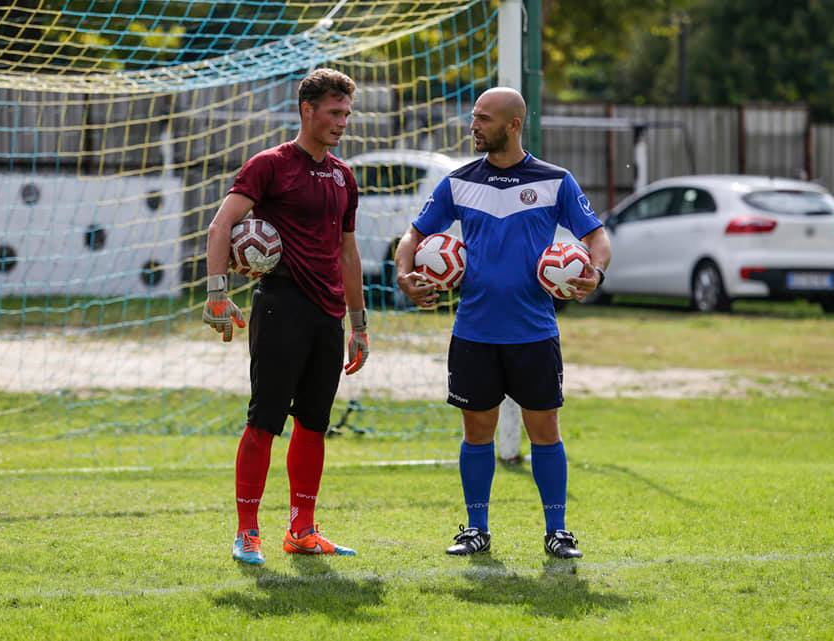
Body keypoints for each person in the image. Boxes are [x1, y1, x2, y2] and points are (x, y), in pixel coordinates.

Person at [394, 87, 611, 559]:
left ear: (513, 125)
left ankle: (558, 531)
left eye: (484, 119)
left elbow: (597, 237)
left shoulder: (555, 181)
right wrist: (404, 273)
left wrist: (596, 272)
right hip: (473, 331)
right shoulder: (458, 182)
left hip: (534, 333)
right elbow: (414, 234)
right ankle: (476, 529)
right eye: (474, 117)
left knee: (545, 432)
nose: (474, 126)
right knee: (477, 433)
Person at [202, 68, 369, 566]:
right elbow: (221, 225)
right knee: (264, 421)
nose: (342, 122)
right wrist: (217, 293)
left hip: (328, 315)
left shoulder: (343, 176)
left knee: (314, 424)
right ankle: (248, 531)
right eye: (334, 113)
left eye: (346, 114)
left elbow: (348, 253)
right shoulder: (270, 165)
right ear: (307, 110)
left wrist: (358, 324)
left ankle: (301, 530)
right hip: (280, 306)